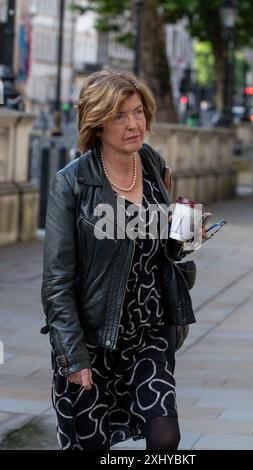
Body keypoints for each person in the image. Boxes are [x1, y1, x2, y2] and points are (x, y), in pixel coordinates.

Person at [41, 69, 203, 450]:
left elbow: (164, 250)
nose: (134, 124)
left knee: (165, 436)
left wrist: (186, 238)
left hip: (149, 332)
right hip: (92, 338)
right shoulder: (73, 184)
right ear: (96, 124)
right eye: (119, 116)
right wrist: (72, 354)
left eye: (138, 112)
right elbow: (56, 282)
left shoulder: (151, 164)